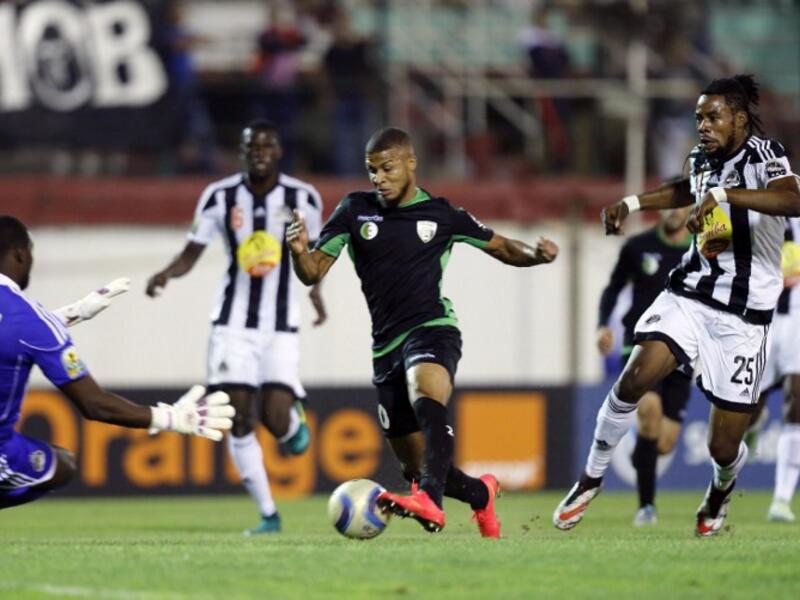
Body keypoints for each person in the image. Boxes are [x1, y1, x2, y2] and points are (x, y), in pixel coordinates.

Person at [553, 74, 800, 537]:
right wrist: (632, 202)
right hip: (690, 293)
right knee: (634, 377)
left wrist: (723, 196)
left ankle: (720, 491)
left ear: (740, 119)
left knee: (723, 446)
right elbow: (687, 188)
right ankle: (590, 477)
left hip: (744, 317)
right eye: (698, 118)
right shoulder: (701, 158)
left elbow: (793, 200)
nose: (703, 126)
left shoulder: (766, 155)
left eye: (713, 117)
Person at [286, 127, 559, 537]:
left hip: (432, 328)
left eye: (387, 168)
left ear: (411, 163)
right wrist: (296, 251)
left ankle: (429, 501)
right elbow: (312, 272)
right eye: (371, 170)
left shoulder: (442, 214)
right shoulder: (354, 210)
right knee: (417, 466)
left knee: (425, 390)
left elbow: (502, 247)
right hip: (384, 348)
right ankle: (480, 494)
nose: (378, 177)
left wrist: (536, 256)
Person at [146, 120, 325, 535]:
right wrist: (167, 273)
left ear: (279, 150)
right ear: (242, 153)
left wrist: (316, 295)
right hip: (232, 324)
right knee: (237, 416)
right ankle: (268, 514)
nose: (260, 152)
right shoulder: (219, 196)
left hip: (281, 324)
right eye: (251, 146)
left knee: (275, 421)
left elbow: (313, 256)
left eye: (267, 144)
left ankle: (292, 423)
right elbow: (192, 250)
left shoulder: (304, 198)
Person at [0, 216, 234, 510]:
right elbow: (94, 404)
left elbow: (12, 333)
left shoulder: (32, 323)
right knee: (62, 465)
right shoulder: (30, 320)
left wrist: (74, 312)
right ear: (20, 254)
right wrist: (171, 418)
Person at [596, 206, 692, 526]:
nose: (674, 212)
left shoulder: (702, 248)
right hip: (639, 342)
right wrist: (602, 326)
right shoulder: (638, 247)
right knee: (648, 410)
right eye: (669, 205)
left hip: (683, 350)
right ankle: (646, 508)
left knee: (663, 442)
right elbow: (613, 287)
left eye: (681, 205)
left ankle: (642, 454)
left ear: (692, 208)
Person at [752, 215, 800, 522]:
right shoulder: (759, 213)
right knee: (748, 406)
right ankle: (751, 429)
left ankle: (781, 499)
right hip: (762, 317)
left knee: (796, 399)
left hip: (797, 317)